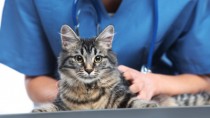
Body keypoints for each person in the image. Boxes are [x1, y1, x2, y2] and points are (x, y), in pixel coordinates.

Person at [0, 0, 210, 104]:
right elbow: (34, 78)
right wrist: (79, 97)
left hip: (155, 105)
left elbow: (205, 78)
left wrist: (152, 83)